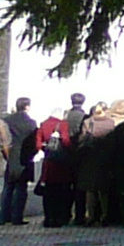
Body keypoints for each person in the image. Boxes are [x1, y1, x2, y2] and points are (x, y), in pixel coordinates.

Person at [39, 98, 82, 229]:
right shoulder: (62, 125)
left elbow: (37, 143)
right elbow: (66, 141)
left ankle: (48, 218)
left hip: (48, 162)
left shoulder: (43, 124)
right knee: (61, 191)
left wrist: (47, 150)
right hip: (61, 164)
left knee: (48, 193)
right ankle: (59, 218)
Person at [1, 98, 38, 226]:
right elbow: (34, 143)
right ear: (27, 107)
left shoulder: (7, 120)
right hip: (24, 157)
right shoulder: (31, 123)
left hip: (10, 155)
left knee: (8, 188)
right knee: (21, 189)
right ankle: (17, 217)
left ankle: (4, 216)